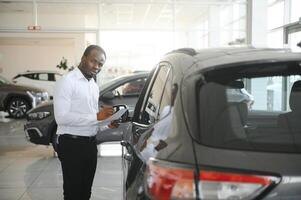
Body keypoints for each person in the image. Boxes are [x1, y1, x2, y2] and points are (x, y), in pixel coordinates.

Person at [53, 45, 115, 200]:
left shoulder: (93, 85)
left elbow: (91, 119)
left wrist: (107, 123)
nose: (97, 67)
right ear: (83, 58)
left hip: (90, 144)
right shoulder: (67, 82)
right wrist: (97, 117)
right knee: (73, 192)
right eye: (94, 62)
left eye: (101, 64)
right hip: (71, 144)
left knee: (86, 191)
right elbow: (61, 117)